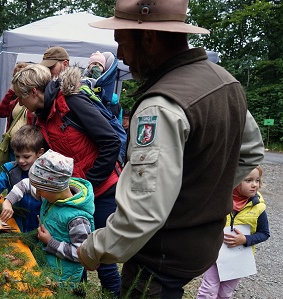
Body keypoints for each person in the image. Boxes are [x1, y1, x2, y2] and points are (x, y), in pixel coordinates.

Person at [76, 0, 265, 298]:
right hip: (200, 246)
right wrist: (200, 196)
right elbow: (251, 152)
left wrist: (91, 250)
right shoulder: (226, 83)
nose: (121, 57)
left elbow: (144, 210)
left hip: (160, 258)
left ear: (149, 38)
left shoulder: (160, 105)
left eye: (122, 43)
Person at [12, 64, 122, 297]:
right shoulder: (40, 116)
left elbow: (111, 141)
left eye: (21, 97)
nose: (20, 103)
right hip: (69, 193)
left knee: (101, 256)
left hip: (101, 190)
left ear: (33, 92)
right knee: (72, 251)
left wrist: (89, 184)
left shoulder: (72, 102)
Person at [4, 149, 95, 291]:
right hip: (46, 269)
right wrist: (8, 201)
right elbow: (25, 185)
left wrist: (50, 242)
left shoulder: (78, 219)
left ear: (54, 187)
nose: (37, 193)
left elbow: (82, 254)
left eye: (40, 189)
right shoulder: (51, 193)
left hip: (62, 280)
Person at [197, 166, 270, 299]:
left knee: (225, 293)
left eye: (257, 180)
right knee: (209, 290)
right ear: (235, 181)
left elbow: (264, 233)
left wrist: (245, 240)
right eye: (248, 180)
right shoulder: (221, 201)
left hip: (238, 258)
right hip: (215, 255)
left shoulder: (259, 207)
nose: (255, 185)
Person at [0, 124, 45, 233]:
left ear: (39, 153)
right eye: (17, 156)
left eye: (26, 156)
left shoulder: (48, 174)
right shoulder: (11, 170)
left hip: (39, 230)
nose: (20, 161)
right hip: (15, 227)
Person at [0, 62, 35, 161]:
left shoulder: (34, 100)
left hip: (28, 149)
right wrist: (11, 91)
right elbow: (0, 112)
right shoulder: (16, 102)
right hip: (12, 146)